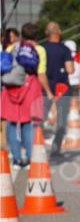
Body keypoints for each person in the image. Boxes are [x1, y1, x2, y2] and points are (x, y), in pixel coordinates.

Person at [2, 22, 47, 168]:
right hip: (30, 87)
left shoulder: (11, 47)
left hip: (11, 88)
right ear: (36, 35)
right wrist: (49, 91)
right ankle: (29, 158)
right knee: (28, 124)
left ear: (22, 34)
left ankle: (15, 159)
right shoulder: (39, 49)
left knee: (11, 122)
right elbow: (40, 74)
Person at [39, 22, 75, 158]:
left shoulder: (41, 48)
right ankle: (55, 149)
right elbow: (70, 70)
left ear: (46, 33)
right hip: (62, 88)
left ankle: (38, 146)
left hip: (44, 87)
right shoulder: (65, 49)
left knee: (39, 118)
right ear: (59, 32)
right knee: (61, 120)